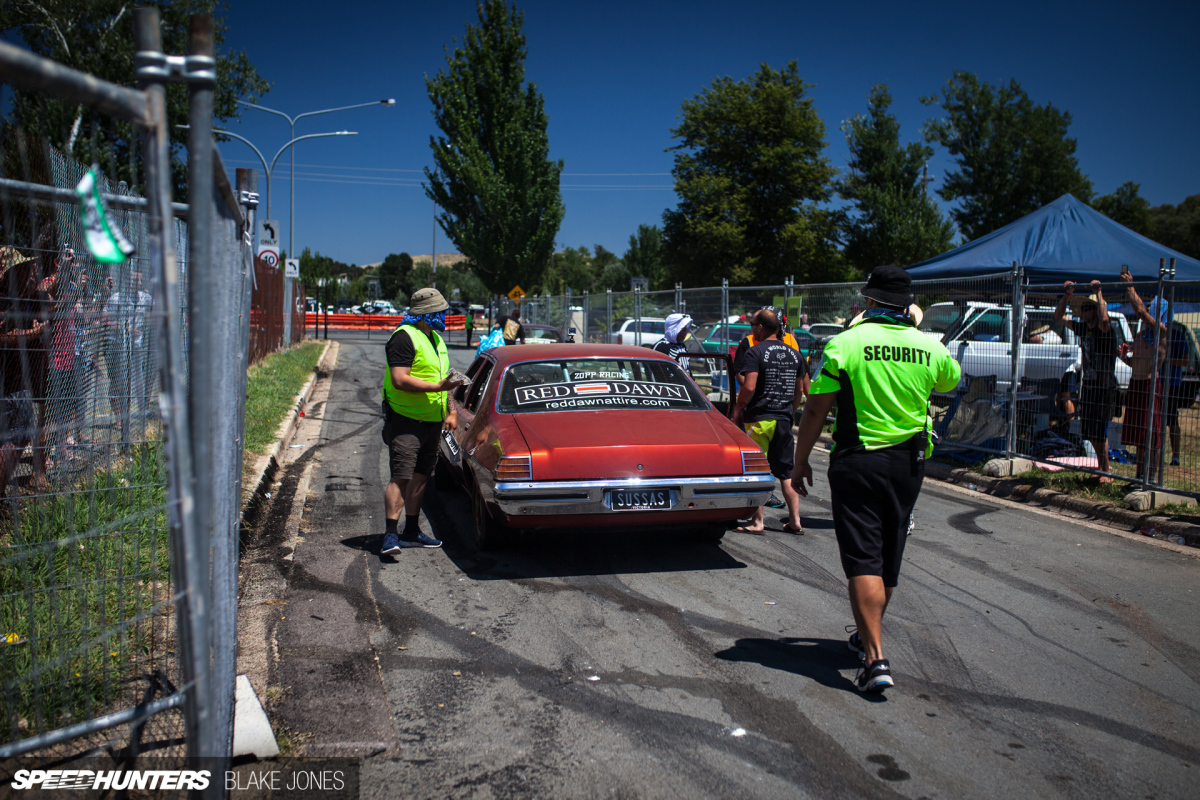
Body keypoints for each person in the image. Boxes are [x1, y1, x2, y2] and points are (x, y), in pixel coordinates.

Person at [791, 265, 960, 693]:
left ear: (868, 301)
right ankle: (867, 637)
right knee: (887, 556)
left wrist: (800, 461)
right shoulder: (930, 346)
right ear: (907, 304)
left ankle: (875, 659)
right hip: (910, 465)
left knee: (863, 558)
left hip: (858, 459)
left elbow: (816, 409)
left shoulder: (845, 343)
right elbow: (947, 383)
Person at [380, 287, 464, 554]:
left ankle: (412, 531)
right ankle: (390, 535)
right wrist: (438, 388)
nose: (444, 316)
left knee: (421, 477)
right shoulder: (404, 338)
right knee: (401, 477)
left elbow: (445, 378)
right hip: (406, 420)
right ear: (426, 314)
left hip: (432, 421)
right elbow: (400, 379)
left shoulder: (436, 340)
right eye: (440, 312)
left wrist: (450, 410)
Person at [731, 308, 807, 534]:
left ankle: (757, 522)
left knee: (756, 472)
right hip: (783, 419)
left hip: (760, 420)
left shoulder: (755, 352)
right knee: (786, 472)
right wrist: (790, 412)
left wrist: (739, 408)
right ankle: (795, 521)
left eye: (753, 325)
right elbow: (799, 390)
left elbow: (749, 386)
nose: (752, 328)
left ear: (761, 327)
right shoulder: (795, 354)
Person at [0, 247, 51, 502]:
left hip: (18, 381)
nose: (29, 273)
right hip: (5, 384)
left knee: (22, 434)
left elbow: (50, 297)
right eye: (23, 268)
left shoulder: (21, 298)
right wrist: (31, 334)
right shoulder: (3, 300)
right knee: (10, 441)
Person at [1054, 279, 1117, 482]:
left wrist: (1098, 293)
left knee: (1100, 431)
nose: (1085, 312)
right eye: (1084, 309)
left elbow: (1105, 319)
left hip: (1103, 386)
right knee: (1090, 431)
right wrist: (1067, 296)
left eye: (1089, 308)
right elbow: (1058, 316)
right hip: (1088, 386)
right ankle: (1101, 468)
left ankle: (1105, 471)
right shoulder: (1084, 329)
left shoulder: (1105, 329)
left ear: (1096, 310)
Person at [1117, 269, 1168, 480]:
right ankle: (1139, 477)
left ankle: (1151, 478)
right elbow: (1134, 363)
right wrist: (1123, 357)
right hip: (1135, 385)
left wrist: (1129, 287)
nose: (1146, 309)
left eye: (1150, 308)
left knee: (1152, 437)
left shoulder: (1161, 331)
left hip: (1149, 386)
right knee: (1139, 437)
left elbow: (1140, 312)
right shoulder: (1141, 334)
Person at [103, 268, 153, 447]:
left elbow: (153, 313)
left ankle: (127, 415)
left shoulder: (145, 299)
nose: (139, 284)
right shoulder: (116, 298)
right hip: (116, 345)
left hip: (136, 348)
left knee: (131, 382)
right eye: (135, 281)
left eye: (140, 281)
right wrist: (125, 329)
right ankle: (118, 417)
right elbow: (104, 320)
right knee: (117, 383)